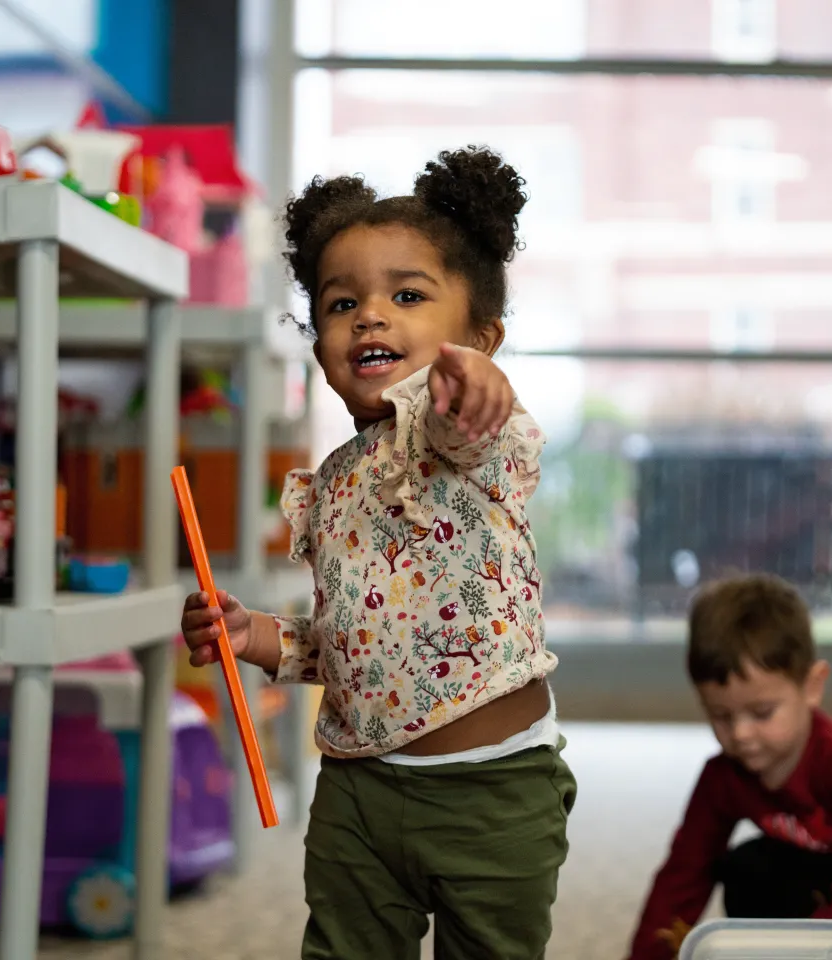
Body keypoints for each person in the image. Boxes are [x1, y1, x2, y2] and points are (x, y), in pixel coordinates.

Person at [181, 146, 575, 960]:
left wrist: (476, 388)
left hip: (492, 789)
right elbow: (353, 637)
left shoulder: (472, 441)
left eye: (407, 295)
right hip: (357, 786)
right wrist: (256, 636)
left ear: (480, 336)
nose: (368, 316)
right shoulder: (331, 482)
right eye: (341, 302)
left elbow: (477, 424)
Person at [626, 573, 832, 960]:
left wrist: (816, 944)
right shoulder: (723, 776)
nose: (740, 734)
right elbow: (683, 875)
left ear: (812, 686)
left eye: (762, 712)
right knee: (747, 870)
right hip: (813, 886)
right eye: (721, 716)